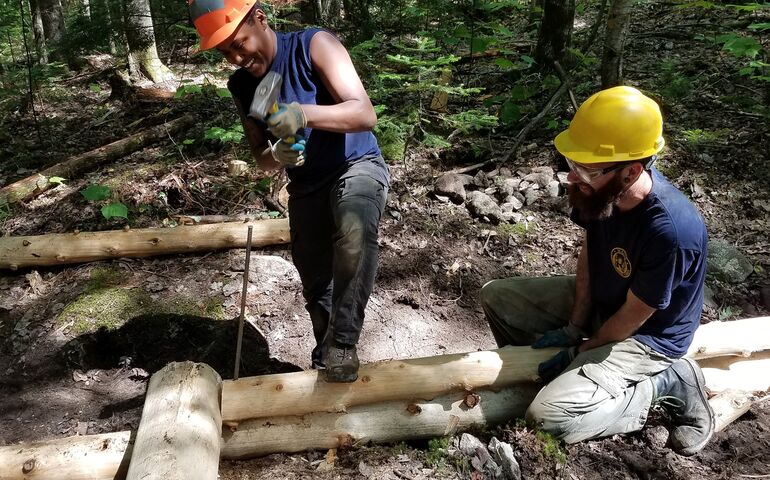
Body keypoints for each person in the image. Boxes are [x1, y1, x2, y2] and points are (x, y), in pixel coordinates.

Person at [481, 86, 714, 456]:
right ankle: (547, 377)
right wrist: (575, 324)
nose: (572, 177)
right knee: (497, 296)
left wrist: (582, 350)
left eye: (585, 168)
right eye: (571, 164)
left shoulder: (671, 230)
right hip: (608, 305)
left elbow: (636, 315)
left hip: (648, 338)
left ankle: (665, 383)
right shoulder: (600, 193)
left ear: (630, 171)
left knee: (549, 418)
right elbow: (591, 252)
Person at [188, 0, 389, 382]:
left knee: (354, 228)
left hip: (356, 164)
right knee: (316, 280)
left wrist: (303, 113)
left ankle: (343, 344)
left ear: (260, 19)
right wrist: (277, 152)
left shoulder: (313, 45)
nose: (234, 57)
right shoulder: (247, 84)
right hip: (306, 185)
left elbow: (364, 113)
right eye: (224, 51)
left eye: (238, 43)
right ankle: (327, 357)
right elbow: (262, 157)